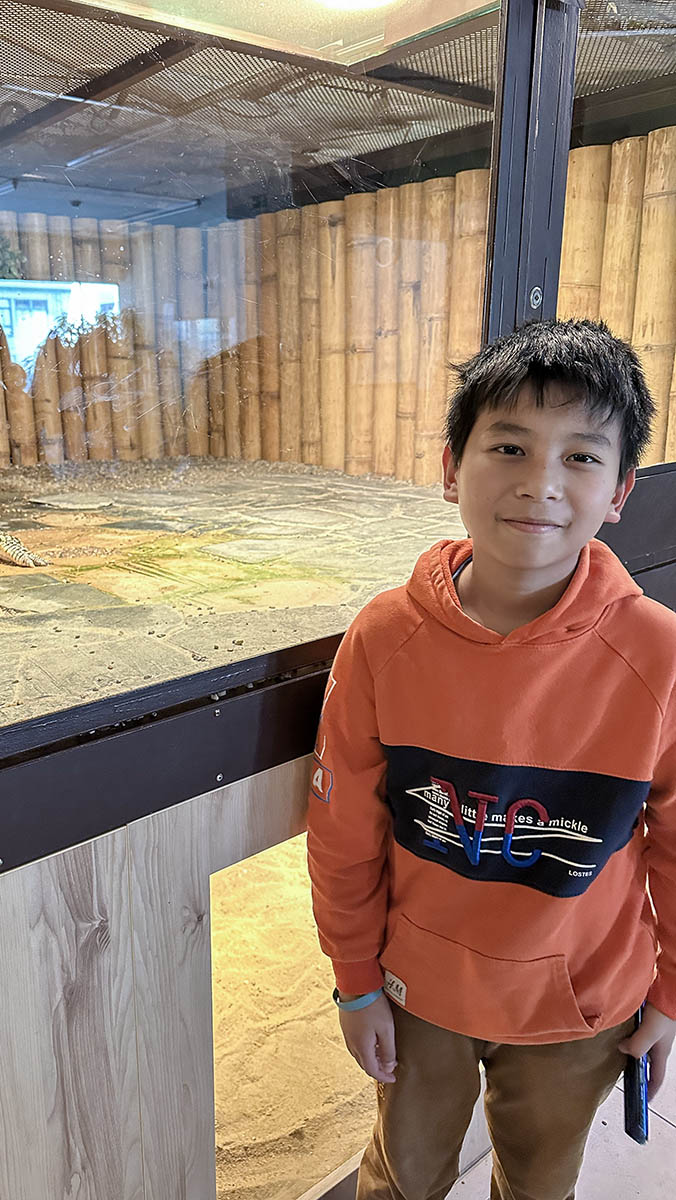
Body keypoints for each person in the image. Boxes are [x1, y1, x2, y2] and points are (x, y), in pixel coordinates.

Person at [306, 318, 676, 1200]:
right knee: (403, 1177)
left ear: (620, 489)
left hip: (581, 1001)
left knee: (541, 1183)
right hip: (417, 989)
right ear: (451, 468)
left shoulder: (659, 655)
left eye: (581, 457)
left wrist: (669, 994)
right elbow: (343, 831)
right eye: (509, 446)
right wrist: (355, 983)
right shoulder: (384, 637)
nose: (539, 482)